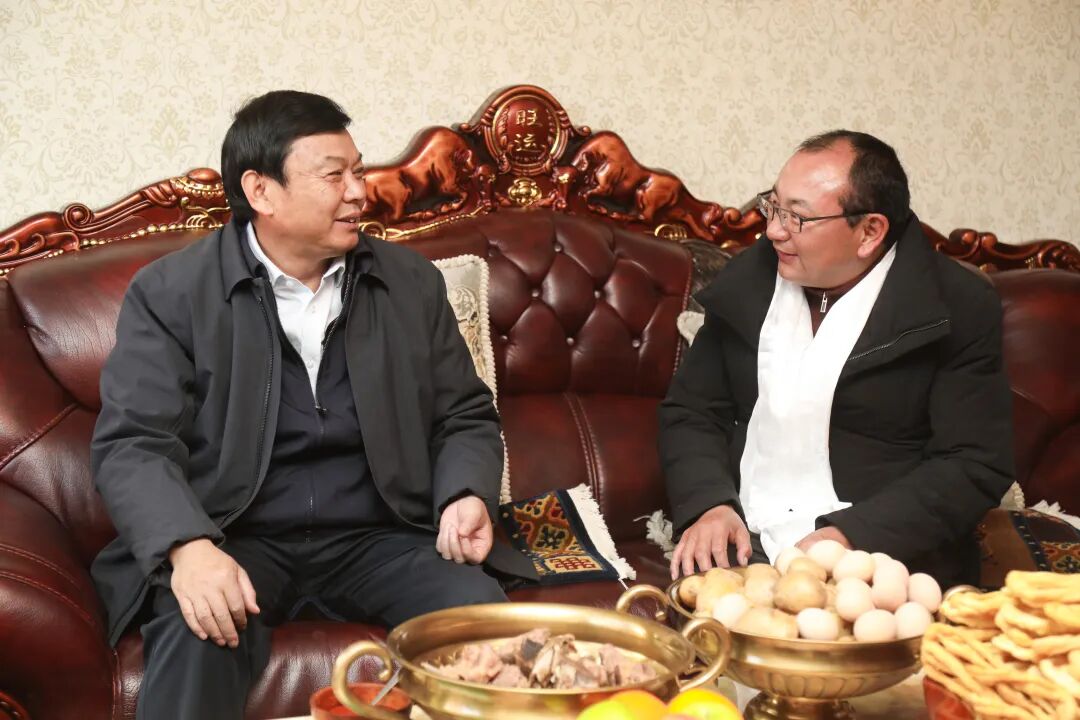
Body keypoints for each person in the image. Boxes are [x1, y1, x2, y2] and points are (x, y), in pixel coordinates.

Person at [90, 90, 527, 719]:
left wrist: (465, 493)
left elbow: (464, 415)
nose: (359, 192)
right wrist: (188, 549)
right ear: (261, 192)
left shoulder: (410, 283)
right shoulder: (171, 293)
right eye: (333, 175)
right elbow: (134, 443)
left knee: (488, 629)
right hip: (235, 537)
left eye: (358, 171)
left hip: (382, 536)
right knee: (198, 631)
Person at [659, 130, 1014, 586]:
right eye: (773, 206)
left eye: (797, 217)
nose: (773, 230)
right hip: (744, 535)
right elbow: (692, 411)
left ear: (869, 232)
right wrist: (709, 504)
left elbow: (972, 462)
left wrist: (849, 536)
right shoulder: (749, 280)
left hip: (882, 551)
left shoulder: (957, 305)